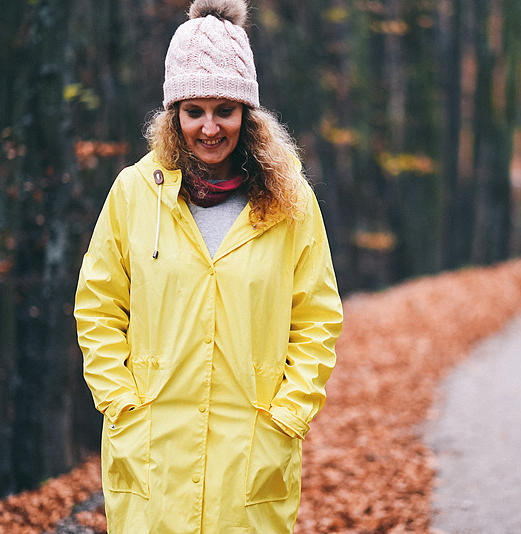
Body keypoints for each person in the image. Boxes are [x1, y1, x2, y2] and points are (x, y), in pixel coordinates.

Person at [73, 0, 343, 531]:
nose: (210, 127)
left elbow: (316, 318)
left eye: (226, 109)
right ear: (174, 115)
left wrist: (288, 416)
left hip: (251, 455)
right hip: (154, 457)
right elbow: (98, 306)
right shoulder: (133, 193)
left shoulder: (289, 201)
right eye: (194, 110)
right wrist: (121, 404)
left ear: (248, 113)